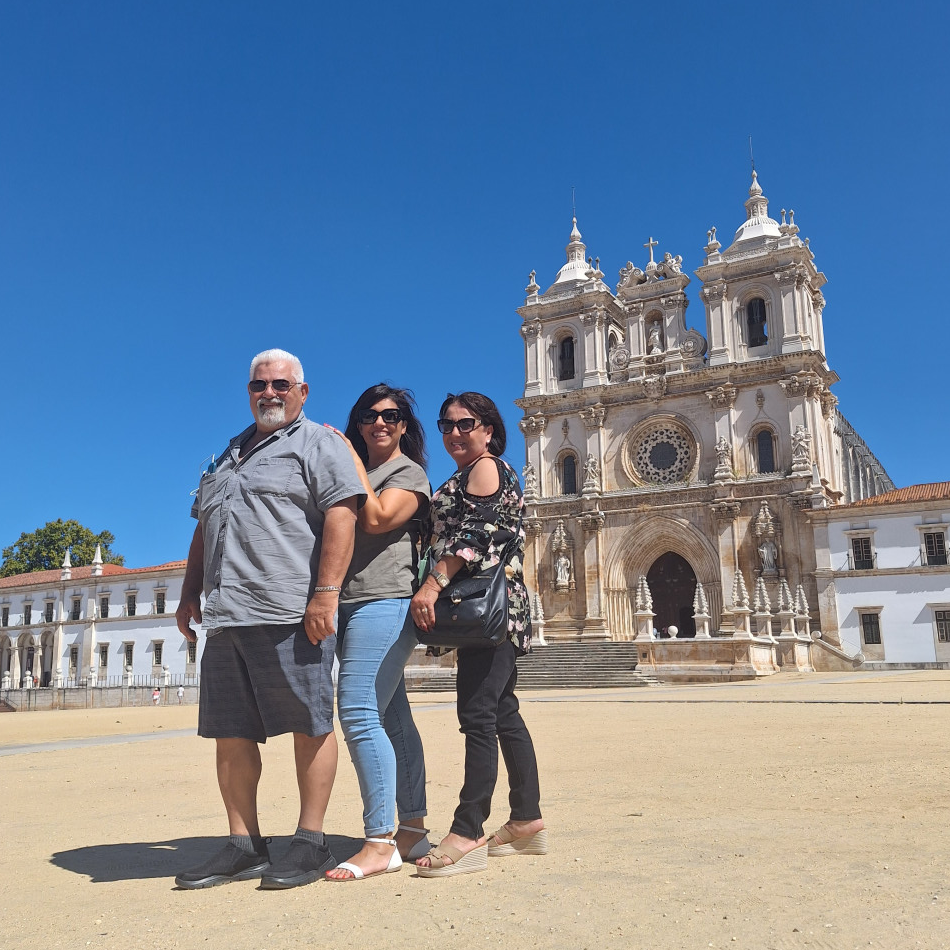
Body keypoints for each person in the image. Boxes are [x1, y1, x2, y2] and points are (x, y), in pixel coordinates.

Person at [174, 348, 364, 890]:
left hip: (289, 612)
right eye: (260, 385)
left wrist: (325, 595)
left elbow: (342, 516)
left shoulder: (318, 444)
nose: (270, 393)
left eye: (281, 384)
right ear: (249, 391)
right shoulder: (227, 455)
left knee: (309, 724)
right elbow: (204, 530)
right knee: (229, 733)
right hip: (227, 616)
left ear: (302, 391)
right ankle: (243, 844)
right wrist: (190, 594)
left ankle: (309, 840)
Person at [411, 392, 547, 877]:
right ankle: (527, 820)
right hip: (501, 611)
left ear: (489, 429)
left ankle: (467, 832)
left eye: (465, 424)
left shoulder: (485, 468)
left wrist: (432, 584)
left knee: (477, 717)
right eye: (446, 425)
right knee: (502, 713)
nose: (453, 433)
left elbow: (477, 534)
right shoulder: (485, 470)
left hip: (487, 612)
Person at [322, 384, 431, 881]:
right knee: (392, 717)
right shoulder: (359, 471)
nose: (379, 422)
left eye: (391, 415)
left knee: (358, 710)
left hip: (385, 601)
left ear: (404, 424)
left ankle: (378, 840)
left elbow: (378, 516)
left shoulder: (408, 473)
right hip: (351, 601)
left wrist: (346, 455)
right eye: (369, 415)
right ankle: (412, 829)